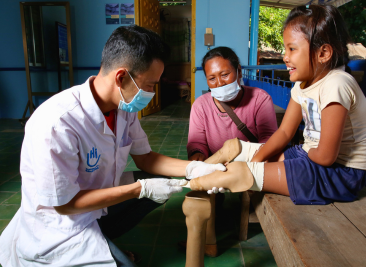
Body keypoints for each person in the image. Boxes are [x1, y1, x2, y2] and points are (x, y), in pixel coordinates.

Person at [0, 25, 225, 267]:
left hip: (97, 204)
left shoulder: (122, 108)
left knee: (155, 177)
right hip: (61, 225)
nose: (151, 92)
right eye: (149, 85)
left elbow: (146, 159)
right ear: (121, 77)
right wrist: (140, 189)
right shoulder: (57, 123)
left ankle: (104, 238)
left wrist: (193, 169)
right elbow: (65, 204)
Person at [193, 4, 366, 205]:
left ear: (323, 53)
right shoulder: (303, 84)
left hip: (341, 174)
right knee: (234, 148)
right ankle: (192, 173)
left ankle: (188, 186)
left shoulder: (337, 83)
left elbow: (325, 157)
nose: (285, 57)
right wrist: (256, 160)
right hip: (310, 157)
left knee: (238, 173)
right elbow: (285, 133)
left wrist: (269, 164)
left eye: (292, 49)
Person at [187, 46, 278, 163]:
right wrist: (197, 154)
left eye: (224, 75)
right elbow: (197, 142)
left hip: (252, 163)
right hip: (216, 166)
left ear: (239, 71)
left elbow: (269, 138)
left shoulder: (260, 99)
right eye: (212, 78)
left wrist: (251, 152)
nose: (219, 83)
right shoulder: (200, 106)